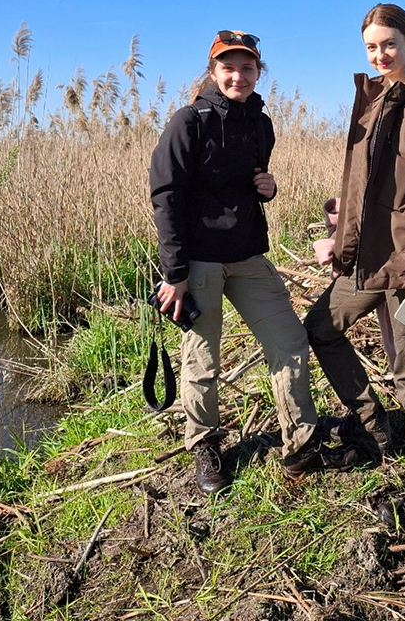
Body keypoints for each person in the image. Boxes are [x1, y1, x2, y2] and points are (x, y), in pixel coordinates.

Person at [149, 30, 355, 495]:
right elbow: (166, 195)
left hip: (247, 256)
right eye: (228, 68)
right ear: (213, 72)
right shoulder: (188, 121)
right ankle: (204, 444)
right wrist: (175, 274)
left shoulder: (261, 124)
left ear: (259, 72)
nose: (237, 76)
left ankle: (301, 444)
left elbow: (251, 181)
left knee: (290, 341)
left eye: (247, 68)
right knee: (202, 358)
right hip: (198, 262)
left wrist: (269, 188)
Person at [305, 4, 405, 528]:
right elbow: (364, 187)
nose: (380, 54)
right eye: (372, 47)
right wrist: (339, 240)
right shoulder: (376, 97)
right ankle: (375, 428)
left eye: (389, 43)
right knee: (321, 327)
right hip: (370, 258)